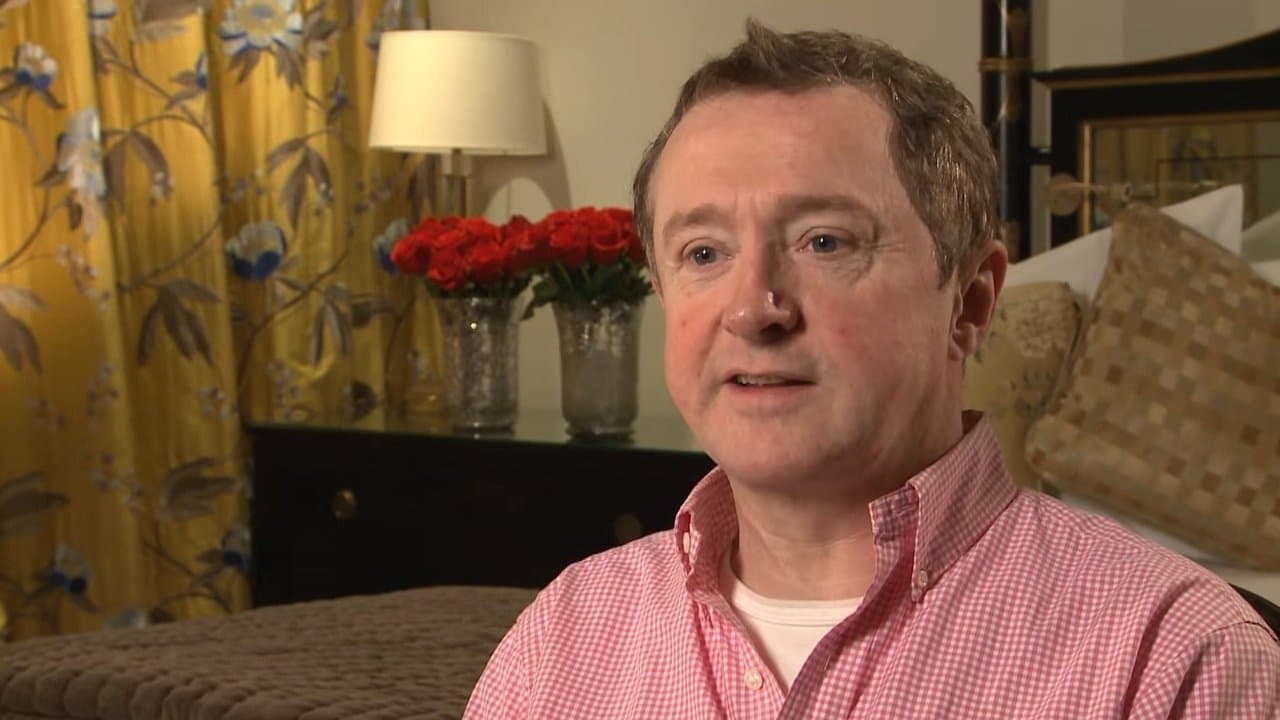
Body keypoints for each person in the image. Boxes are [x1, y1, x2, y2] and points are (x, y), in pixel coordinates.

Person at [464, 20, 1280, 718]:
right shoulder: (564, 635)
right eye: (704, 253)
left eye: (825, 242)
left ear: (969, 302)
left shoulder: (1174, 656)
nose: (753, 310)